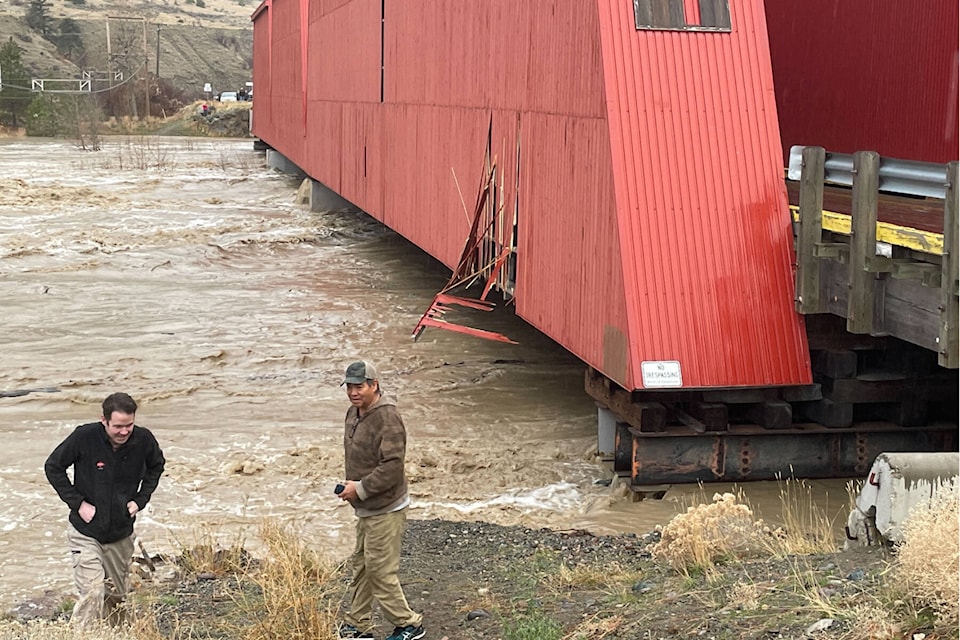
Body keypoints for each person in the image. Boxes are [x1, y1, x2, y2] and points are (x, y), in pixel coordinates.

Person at [44, 392, 165, 628]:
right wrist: (77, 503)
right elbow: (53, 467)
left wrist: (140, 500)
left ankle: (118, 634)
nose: (124, 431)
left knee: (116, 601)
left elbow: (157, 467)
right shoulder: (84, 437)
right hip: (86, 532)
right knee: (93, 593)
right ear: (104, 420)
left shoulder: (143, 440)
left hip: (120, 533)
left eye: (129, 425)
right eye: (118, 426)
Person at [336, 361, 425, 640]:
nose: (353, 392)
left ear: (374, 385)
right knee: (361, 565)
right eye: (349, 386)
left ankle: (409, 624)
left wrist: (359, 489)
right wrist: (353, 491)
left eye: (359, 386)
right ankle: (357, 624)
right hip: (366, 506)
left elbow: (392, 467)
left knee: (379, 570)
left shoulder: (388, 416)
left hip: (385, 508)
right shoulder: (354, 412)